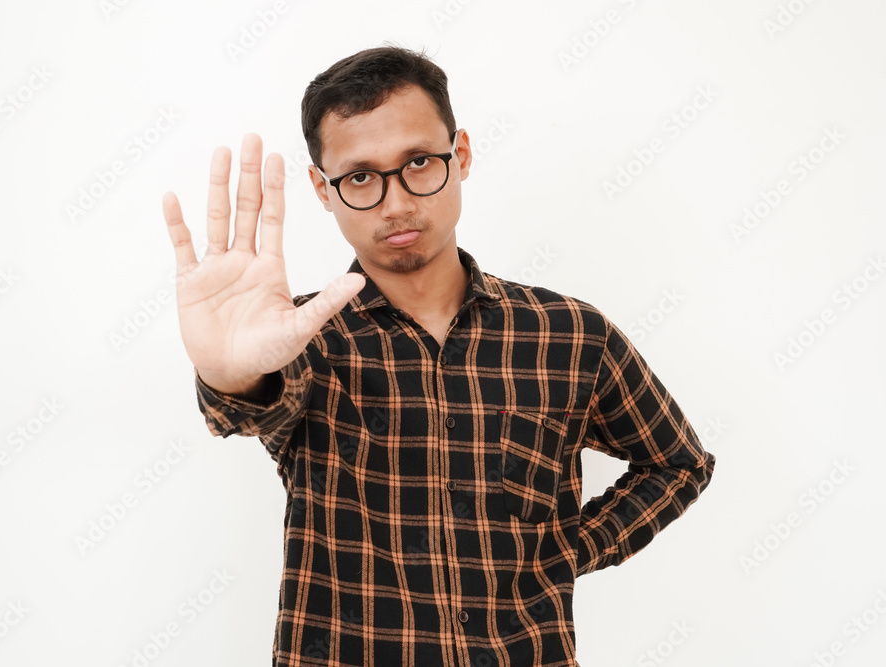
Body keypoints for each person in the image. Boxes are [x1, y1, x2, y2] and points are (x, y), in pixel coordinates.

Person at [162, 46, 715, 667]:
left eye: (419, 162)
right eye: (360, 177)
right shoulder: (297, 338)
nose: (396, 203)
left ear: (462, 155)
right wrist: (229, 372)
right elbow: (247, 404)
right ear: (323, 189)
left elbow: (678, 464)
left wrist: (568, 551)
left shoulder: (568, 334)